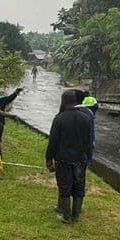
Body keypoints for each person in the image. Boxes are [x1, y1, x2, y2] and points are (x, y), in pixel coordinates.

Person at [45, 89, 93, 224]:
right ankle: (75, 216)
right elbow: (89, 142)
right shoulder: (86, 118)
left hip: (63, 160)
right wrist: (87, 158)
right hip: (80, 160)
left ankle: (66, 216)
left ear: (64, 101)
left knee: (64, 187)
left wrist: (49, 159)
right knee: (79, 187)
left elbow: (53, 141)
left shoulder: (59, 118)